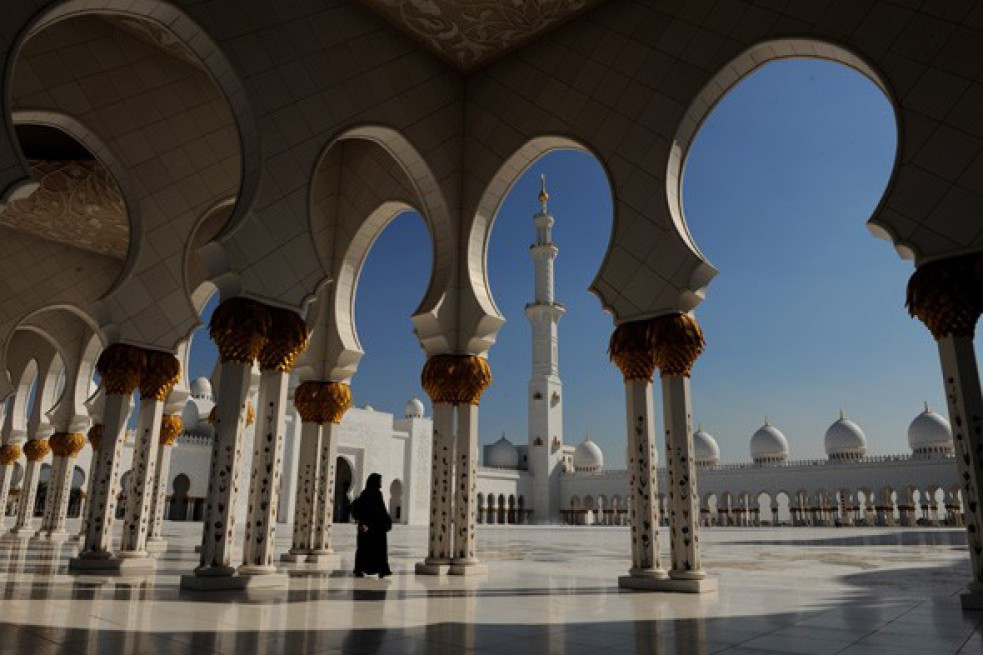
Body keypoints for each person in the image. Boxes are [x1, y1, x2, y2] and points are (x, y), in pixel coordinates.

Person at [350, 472, 393, 578]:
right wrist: (387, 521)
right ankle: (382, 569)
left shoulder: (364, 493)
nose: (381, 483)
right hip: (376, 527)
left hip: (365, 526)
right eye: (380, 481)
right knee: (379, 549)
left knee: (363, 548)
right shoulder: (377, 494)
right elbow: (381, 510)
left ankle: (359, 568)